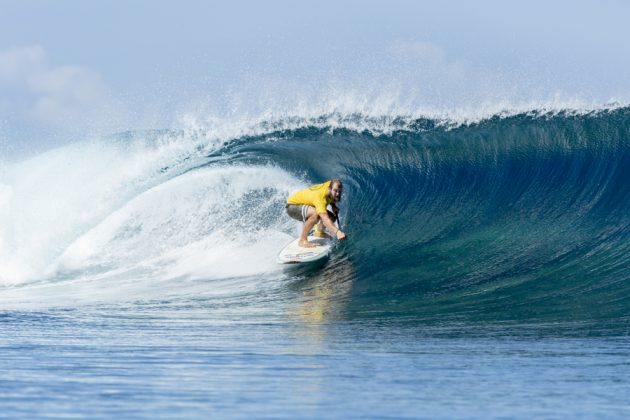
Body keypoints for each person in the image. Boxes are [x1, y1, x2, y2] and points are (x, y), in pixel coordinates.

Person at [285, 179, 347, 248]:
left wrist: (333, 206)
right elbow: (325, 219)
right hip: (292, 206)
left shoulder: (330, 184)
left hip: (308, 204)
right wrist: (338, 232)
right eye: (335, 191)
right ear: (330, 189)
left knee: (332, 217)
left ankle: (319, 232)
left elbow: (332, 195)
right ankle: (302, 240)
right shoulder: (320, 198)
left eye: (339, 191)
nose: (338, 193)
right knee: (317, 215)